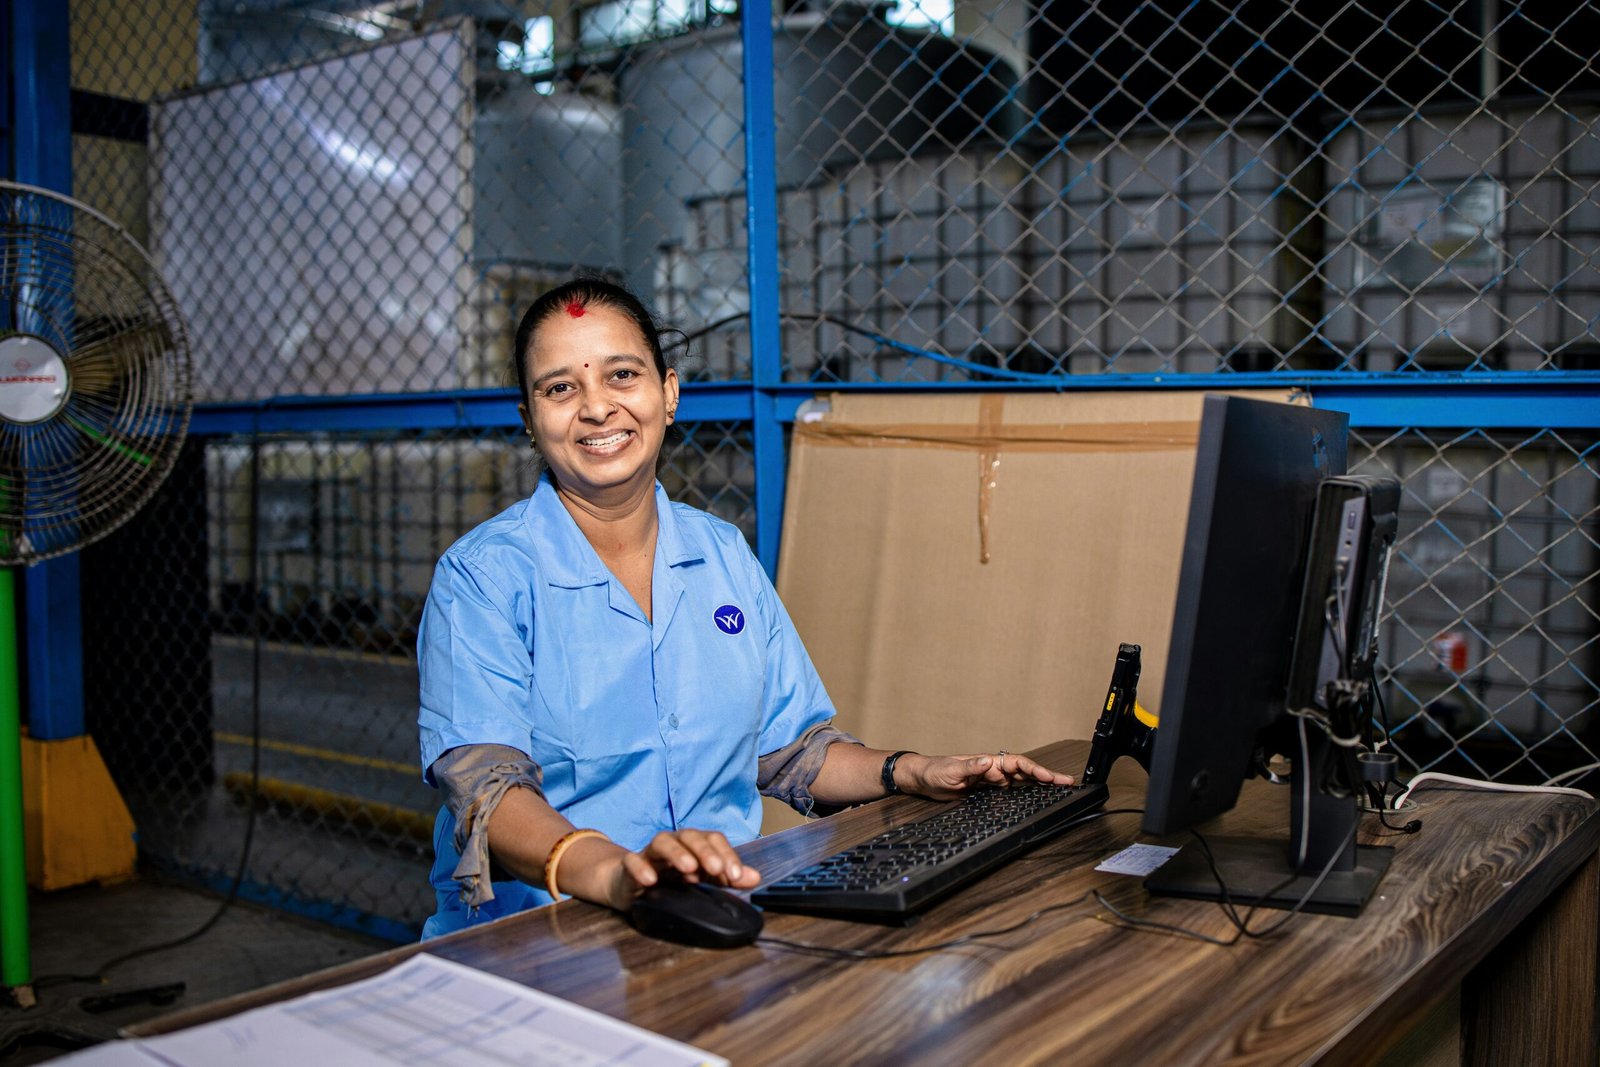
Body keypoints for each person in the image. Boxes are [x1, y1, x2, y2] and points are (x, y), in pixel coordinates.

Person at [417, 277, 1074, 938]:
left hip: (718, 918)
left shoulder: (723, 555)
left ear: (668, 393)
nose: (596, 407)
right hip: (540, 941)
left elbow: (790, 751)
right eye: (560, 388)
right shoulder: (482, 579)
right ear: (530, 419)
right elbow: (487, 790)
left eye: (622, 375)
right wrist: (617, 872)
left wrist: (914, 770)